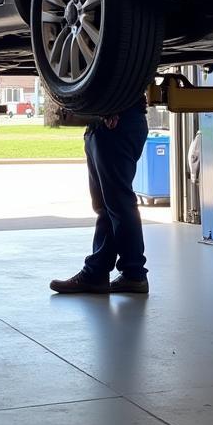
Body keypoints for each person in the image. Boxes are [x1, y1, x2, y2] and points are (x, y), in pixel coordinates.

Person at [50, 99, 150, 294]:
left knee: (118, 205)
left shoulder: (121, 70)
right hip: (104, 123)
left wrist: (112, 107)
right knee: (107, 206)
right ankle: (99, 273)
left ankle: (133, 273)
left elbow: (122, 79)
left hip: (114, 123)